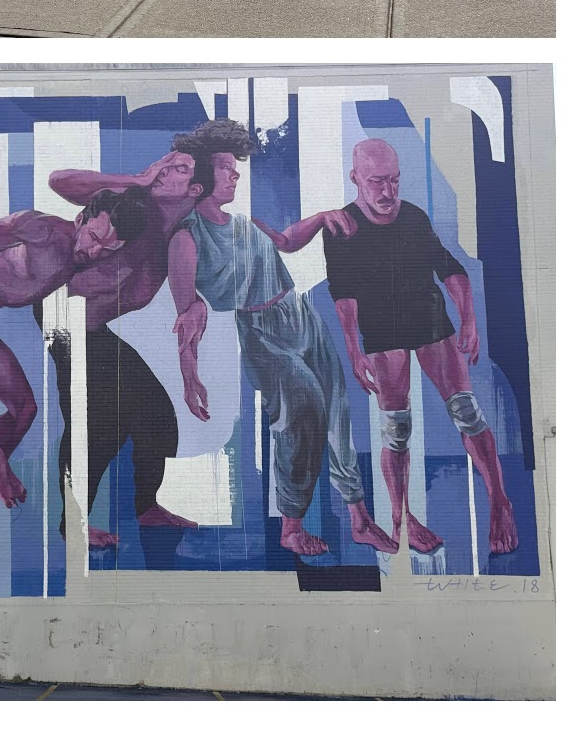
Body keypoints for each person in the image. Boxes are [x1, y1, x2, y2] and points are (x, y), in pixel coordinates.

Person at [165, 119, 398, 557]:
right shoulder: (185, 239)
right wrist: (189, 372)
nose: (235, 175)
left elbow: (288, 242)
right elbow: (188, 314)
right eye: (226, 168)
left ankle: (360, 519)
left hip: (301, 315)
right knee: (302, 412)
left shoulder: (242, 221)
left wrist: (324, 217)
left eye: (236, 168)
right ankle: (291, 528)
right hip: (261, 334)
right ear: (200, 176)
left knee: (337, 415)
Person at [0, 187, 153, 542]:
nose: (93, 252)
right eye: (93, 238)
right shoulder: (40, 230)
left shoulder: (88, 259)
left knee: (24, 409)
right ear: (80, 219)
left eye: (107, 249)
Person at [323, 137, 519, 557]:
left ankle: (500, 502)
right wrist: (355, 349)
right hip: (381, 330)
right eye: (377, 182)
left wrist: (469, 320)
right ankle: (401, 515)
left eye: (394, 180)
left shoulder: (412, 217)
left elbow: (451, 269)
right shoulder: (341, 226)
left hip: (429, 321)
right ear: (356, 177)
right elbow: (343, 294)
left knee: (467, 413)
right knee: (396, 430)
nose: (388, 192)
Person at [41, 150, 207, 552]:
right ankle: (74, 524)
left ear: (195, 189)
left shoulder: (181, 237)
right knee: (96, 424)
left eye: (179, 169)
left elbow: (187, 311)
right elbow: (58, 180)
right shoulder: (134, 204)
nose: (165, 170)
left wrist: (190, 377)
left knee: (154, 414)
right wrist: (138, 177)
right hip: (64, 317)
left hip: (93, 328)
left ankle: (147, 507)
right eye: (165, 164)